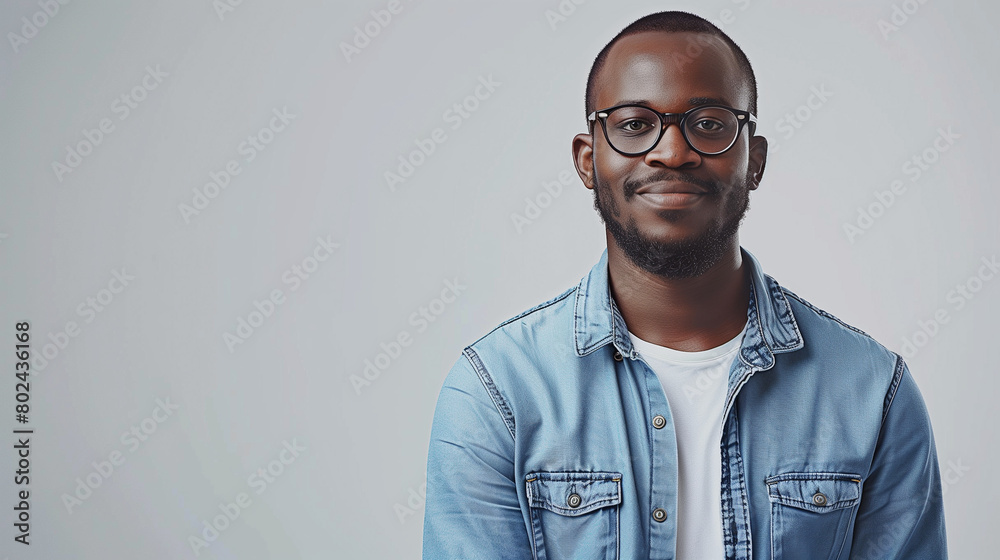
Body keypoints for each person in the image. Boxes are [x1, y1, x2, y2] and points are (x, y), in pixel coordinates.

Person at [422, 10, 947, 560]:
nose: (672, 152)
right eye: (632, 124)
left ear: (756, 161)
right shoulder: (497, 391)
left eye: (710, 123)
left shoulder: (871, 391)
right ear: (586, 159)